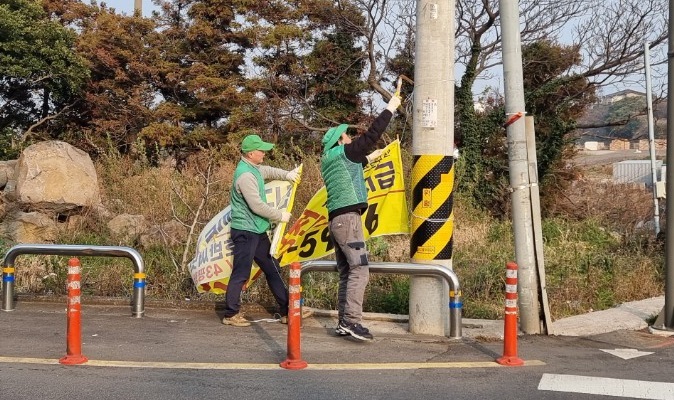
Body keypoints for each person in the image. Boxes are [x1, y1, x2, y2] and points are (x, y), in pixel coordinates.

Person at [319, 94, 402, 341]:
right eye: (346, 135)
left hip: (336, 220)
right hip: (348, 219)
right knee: (360, 270)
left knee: (347, 271)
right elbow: (371, 136)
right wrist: (390, 108)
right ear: (339, 142)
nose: (350, 137)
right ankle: (353, 322)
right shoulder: (344, 153)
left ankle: (344, 322)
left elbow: (362, 158)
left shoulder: (329, 160)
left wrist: (374, 156)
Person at [222, 134, 300, 327]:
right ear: (250, 154)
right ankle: (231, 313)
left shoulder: (254, 169)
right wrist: (278, 215)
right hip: (245, 231)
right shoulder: (245, 175)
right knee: (241, 272)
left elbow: (268, 171)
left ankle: (286, 311)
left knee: (272, 268)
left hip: (257, 229)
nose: (264, 153)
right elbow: (256, 205)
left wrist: (287, 174)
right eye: (261, 150)